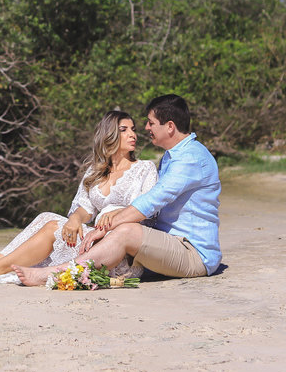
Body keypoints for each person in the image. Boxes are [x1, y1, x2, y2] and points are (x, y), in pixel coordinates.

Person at [14, 94, 220, 286]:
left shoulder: (190, 158)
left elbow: (152, 201)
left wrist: (103, 228)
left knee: (126, 231)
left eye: (151, 122)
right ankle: (4, 265)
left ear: (170, 127)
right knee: (57, 222)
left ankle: (55, 274)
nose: (146, 127)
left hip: (193, 253)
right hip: (168, 245)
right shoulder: (172, 155)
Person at [0, 109, 157, 281]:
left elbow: (150, 212)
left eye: (133, 130)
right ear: (109, 135)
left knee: (52, 226)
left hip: (119, 252)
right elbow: (85, 207)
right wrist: (75, 219)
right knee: (45, 217)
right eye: (124, 130)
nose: (133, 135)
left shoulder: (145, 168)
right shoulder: (96, 171)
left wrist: (117, 214)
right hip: (94, 238)